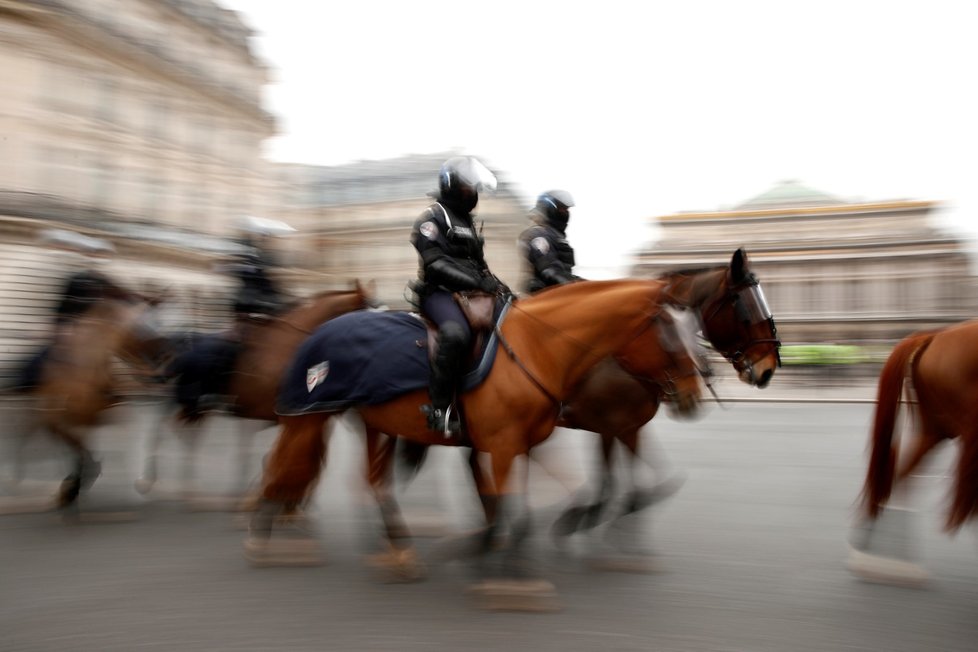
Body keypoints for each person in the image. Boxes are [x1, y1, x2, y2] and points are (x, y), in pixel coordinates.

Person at [410, 155, 506, 435]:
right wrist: (475, 281)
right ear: (450, 185)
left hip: (472, 293)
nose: (471, 193)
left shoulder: (467, 221)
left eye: (474, 188)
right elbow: (435, 264)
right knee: (455, 333)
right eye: (467, 187)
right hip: (439, 294)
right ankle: (439, 408)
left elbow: (480, 264)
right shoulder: (432, 218)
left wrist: (494, 283)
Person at [518, 190, 582, 294]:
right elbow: (549, 270)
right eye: (562, 209)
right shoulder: (537, 235)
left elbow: (564, 272)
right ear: (549, 208)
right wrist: (575, 286)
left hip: (560, 294)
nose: (565, 213)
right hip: (543, 297)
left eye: (567, 210)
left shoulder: (557, 237)